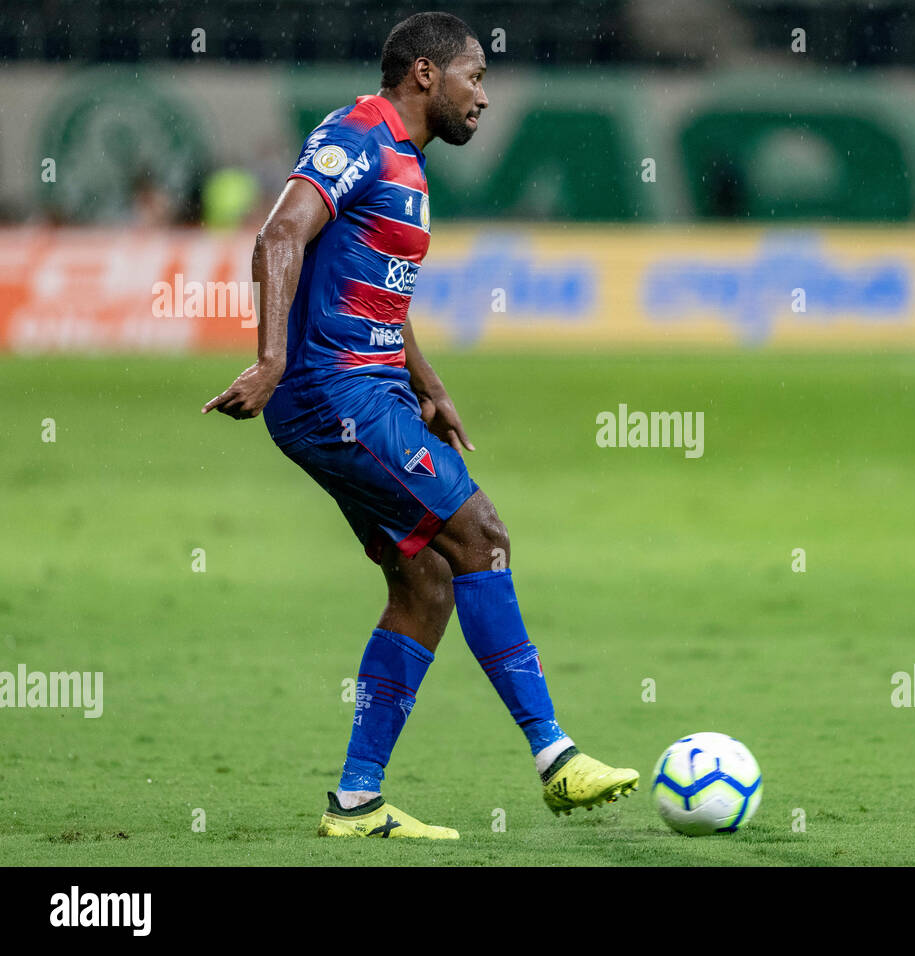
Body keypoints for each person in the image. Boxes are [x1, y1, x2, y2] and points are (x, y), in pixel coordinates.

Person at [202, 11, 637, 840]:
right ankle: (556, 758)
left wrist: (427, 380)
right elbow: (279, 235)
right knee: (482, 534)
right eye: (476, 78)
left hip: (374, 393)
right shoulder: (362, 131)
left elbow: (371, 283)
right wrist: (270, 361)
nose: (485, 98)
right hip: (334, 393)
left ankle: (357, 802)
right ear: (427, 75)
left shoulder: (406, 162)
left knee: (428, 581)